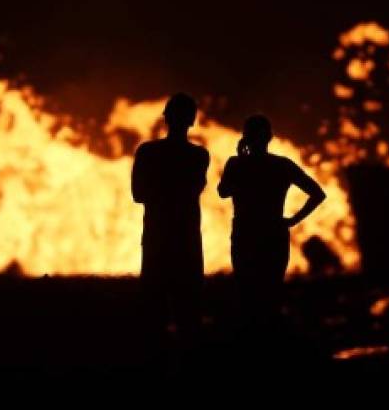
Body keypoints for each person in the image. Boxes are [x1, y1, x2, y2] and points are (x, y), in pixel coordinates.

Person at [218, 114, 326, 337]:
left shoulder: (236, 164)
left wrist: (240, 159)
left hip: (245, 235)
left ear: (245, 138)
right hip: (273, 234)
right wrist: (293, 220)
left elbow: (223, 191)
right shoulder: (282, 166)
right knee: (271, 294)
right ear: (270, 137)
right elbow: (317, 193)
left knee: (247, 295)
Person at [131, 93, 210, 358]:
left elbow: (138, 195)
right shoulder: (199, 156)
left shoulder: (147, 152)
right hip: (186, 240)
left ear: (165, 119)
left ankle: (154, 367)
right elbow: (194, 190)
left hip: (156, 239)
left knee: (153, 311)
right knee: (189, 314)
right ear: (193, 120)